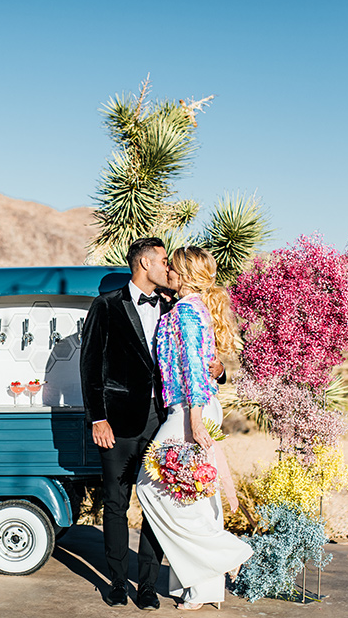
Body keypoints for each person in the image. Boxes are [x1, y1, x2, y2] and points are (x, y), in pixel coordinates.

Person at [81, 238, 224, 610]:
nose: (168, 267)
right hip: (117, 421)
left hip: (163, 421)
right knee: (115, 502)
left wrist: (219, 371)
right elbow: (90, 366)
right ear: (144, 262)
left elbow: (196, 359)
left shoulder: (174, 307)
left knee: (157, 501)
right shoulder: (106, 305)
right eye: (163, 260)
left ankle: (146, 584)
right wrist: (98, 417)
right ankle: (115, 582)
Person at [135, 245, 253, 611]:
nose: (167, 269)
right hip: (191, 407)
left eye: (172, 265)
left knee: (150, 486)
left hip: (189, 410)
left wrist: (195, 420)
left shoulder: (186, 312)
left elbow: (193, 370)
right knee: (196, 497)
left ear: (183, 274)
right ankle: (201, 588)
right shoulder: (193, 307)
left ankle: (227, 553)